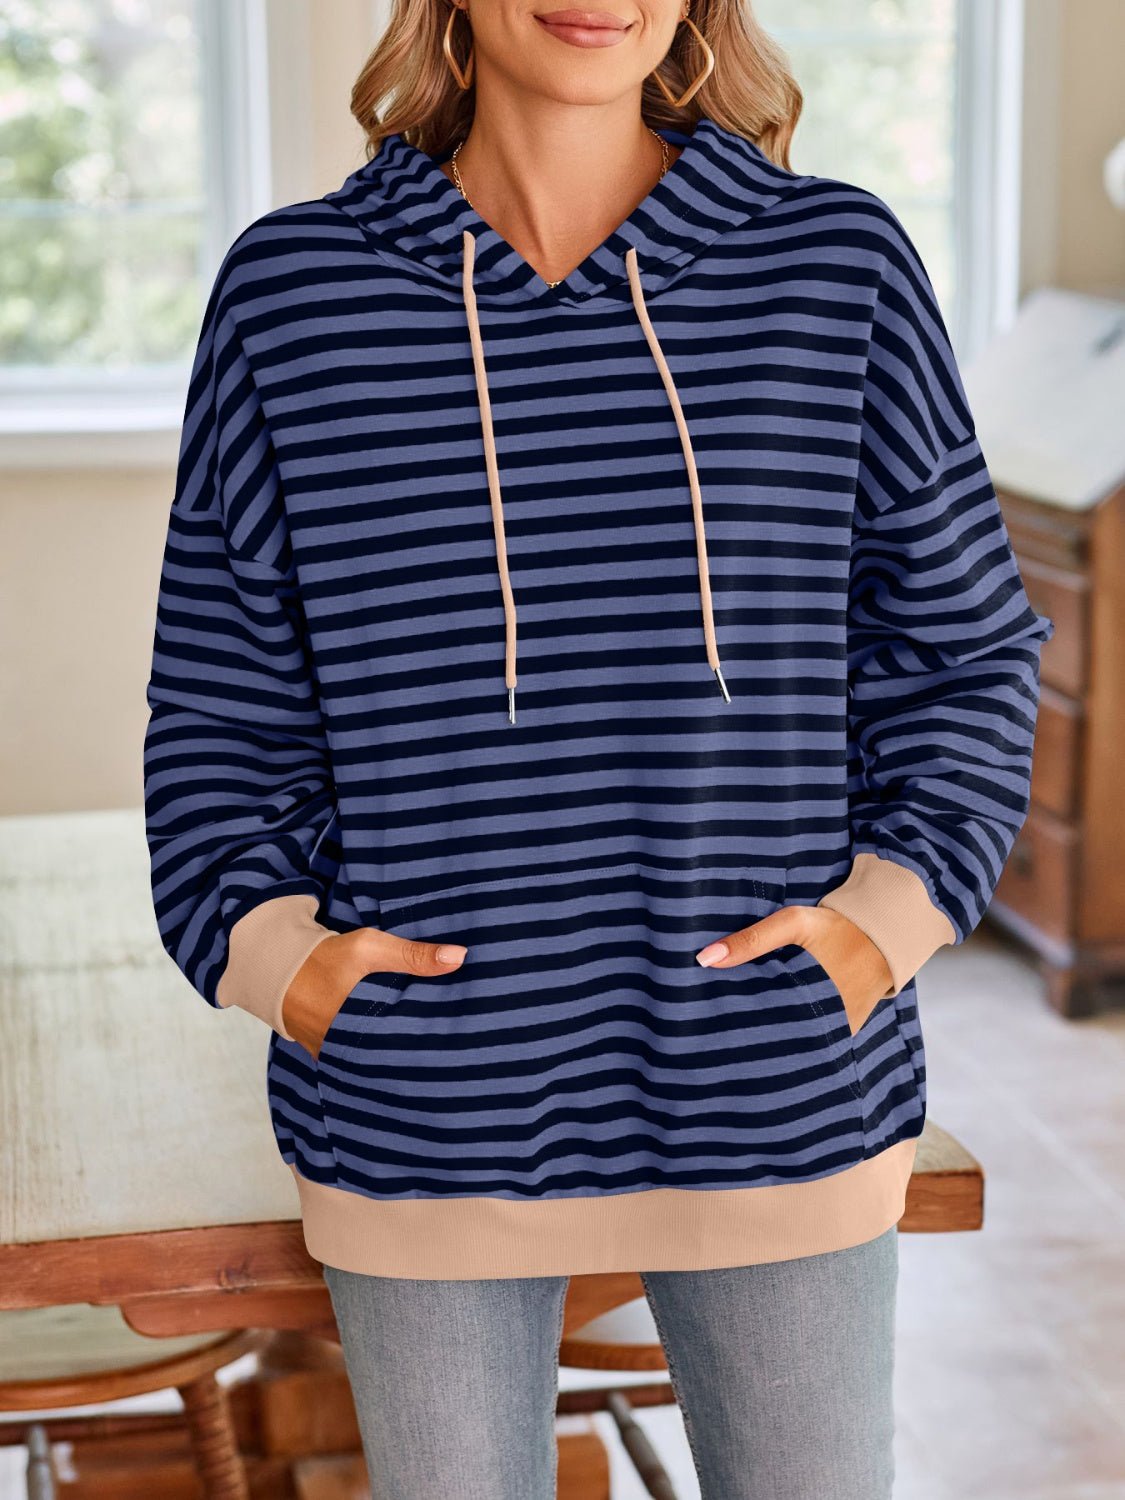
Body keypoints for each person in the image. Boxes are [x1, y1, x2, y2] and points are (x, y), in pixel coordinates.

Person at [142, 0, 1053, 1494]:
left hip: (776, 1081)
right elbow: (221, 701)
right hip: (421, 1105)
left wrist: (883, 925)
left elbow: (964, 651)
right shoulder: (293, 295)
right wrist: (275, 960)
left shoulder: (836, 268)